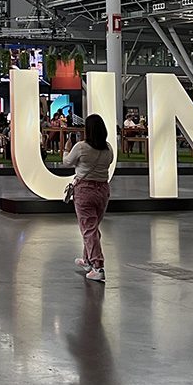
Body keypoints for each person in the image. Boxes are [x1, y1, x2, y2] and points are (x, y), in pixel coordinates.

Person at [66, 114, 114, 283]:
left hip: (84, 190)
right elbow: (109, 163)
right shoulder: (108, 149)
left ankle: (98, 266)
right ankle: (88, 260)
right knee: (92, 228)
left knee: (89, 229)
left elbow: (67, 162)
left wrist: (66, 148)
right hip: (103, 190)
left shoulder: (81, 147)